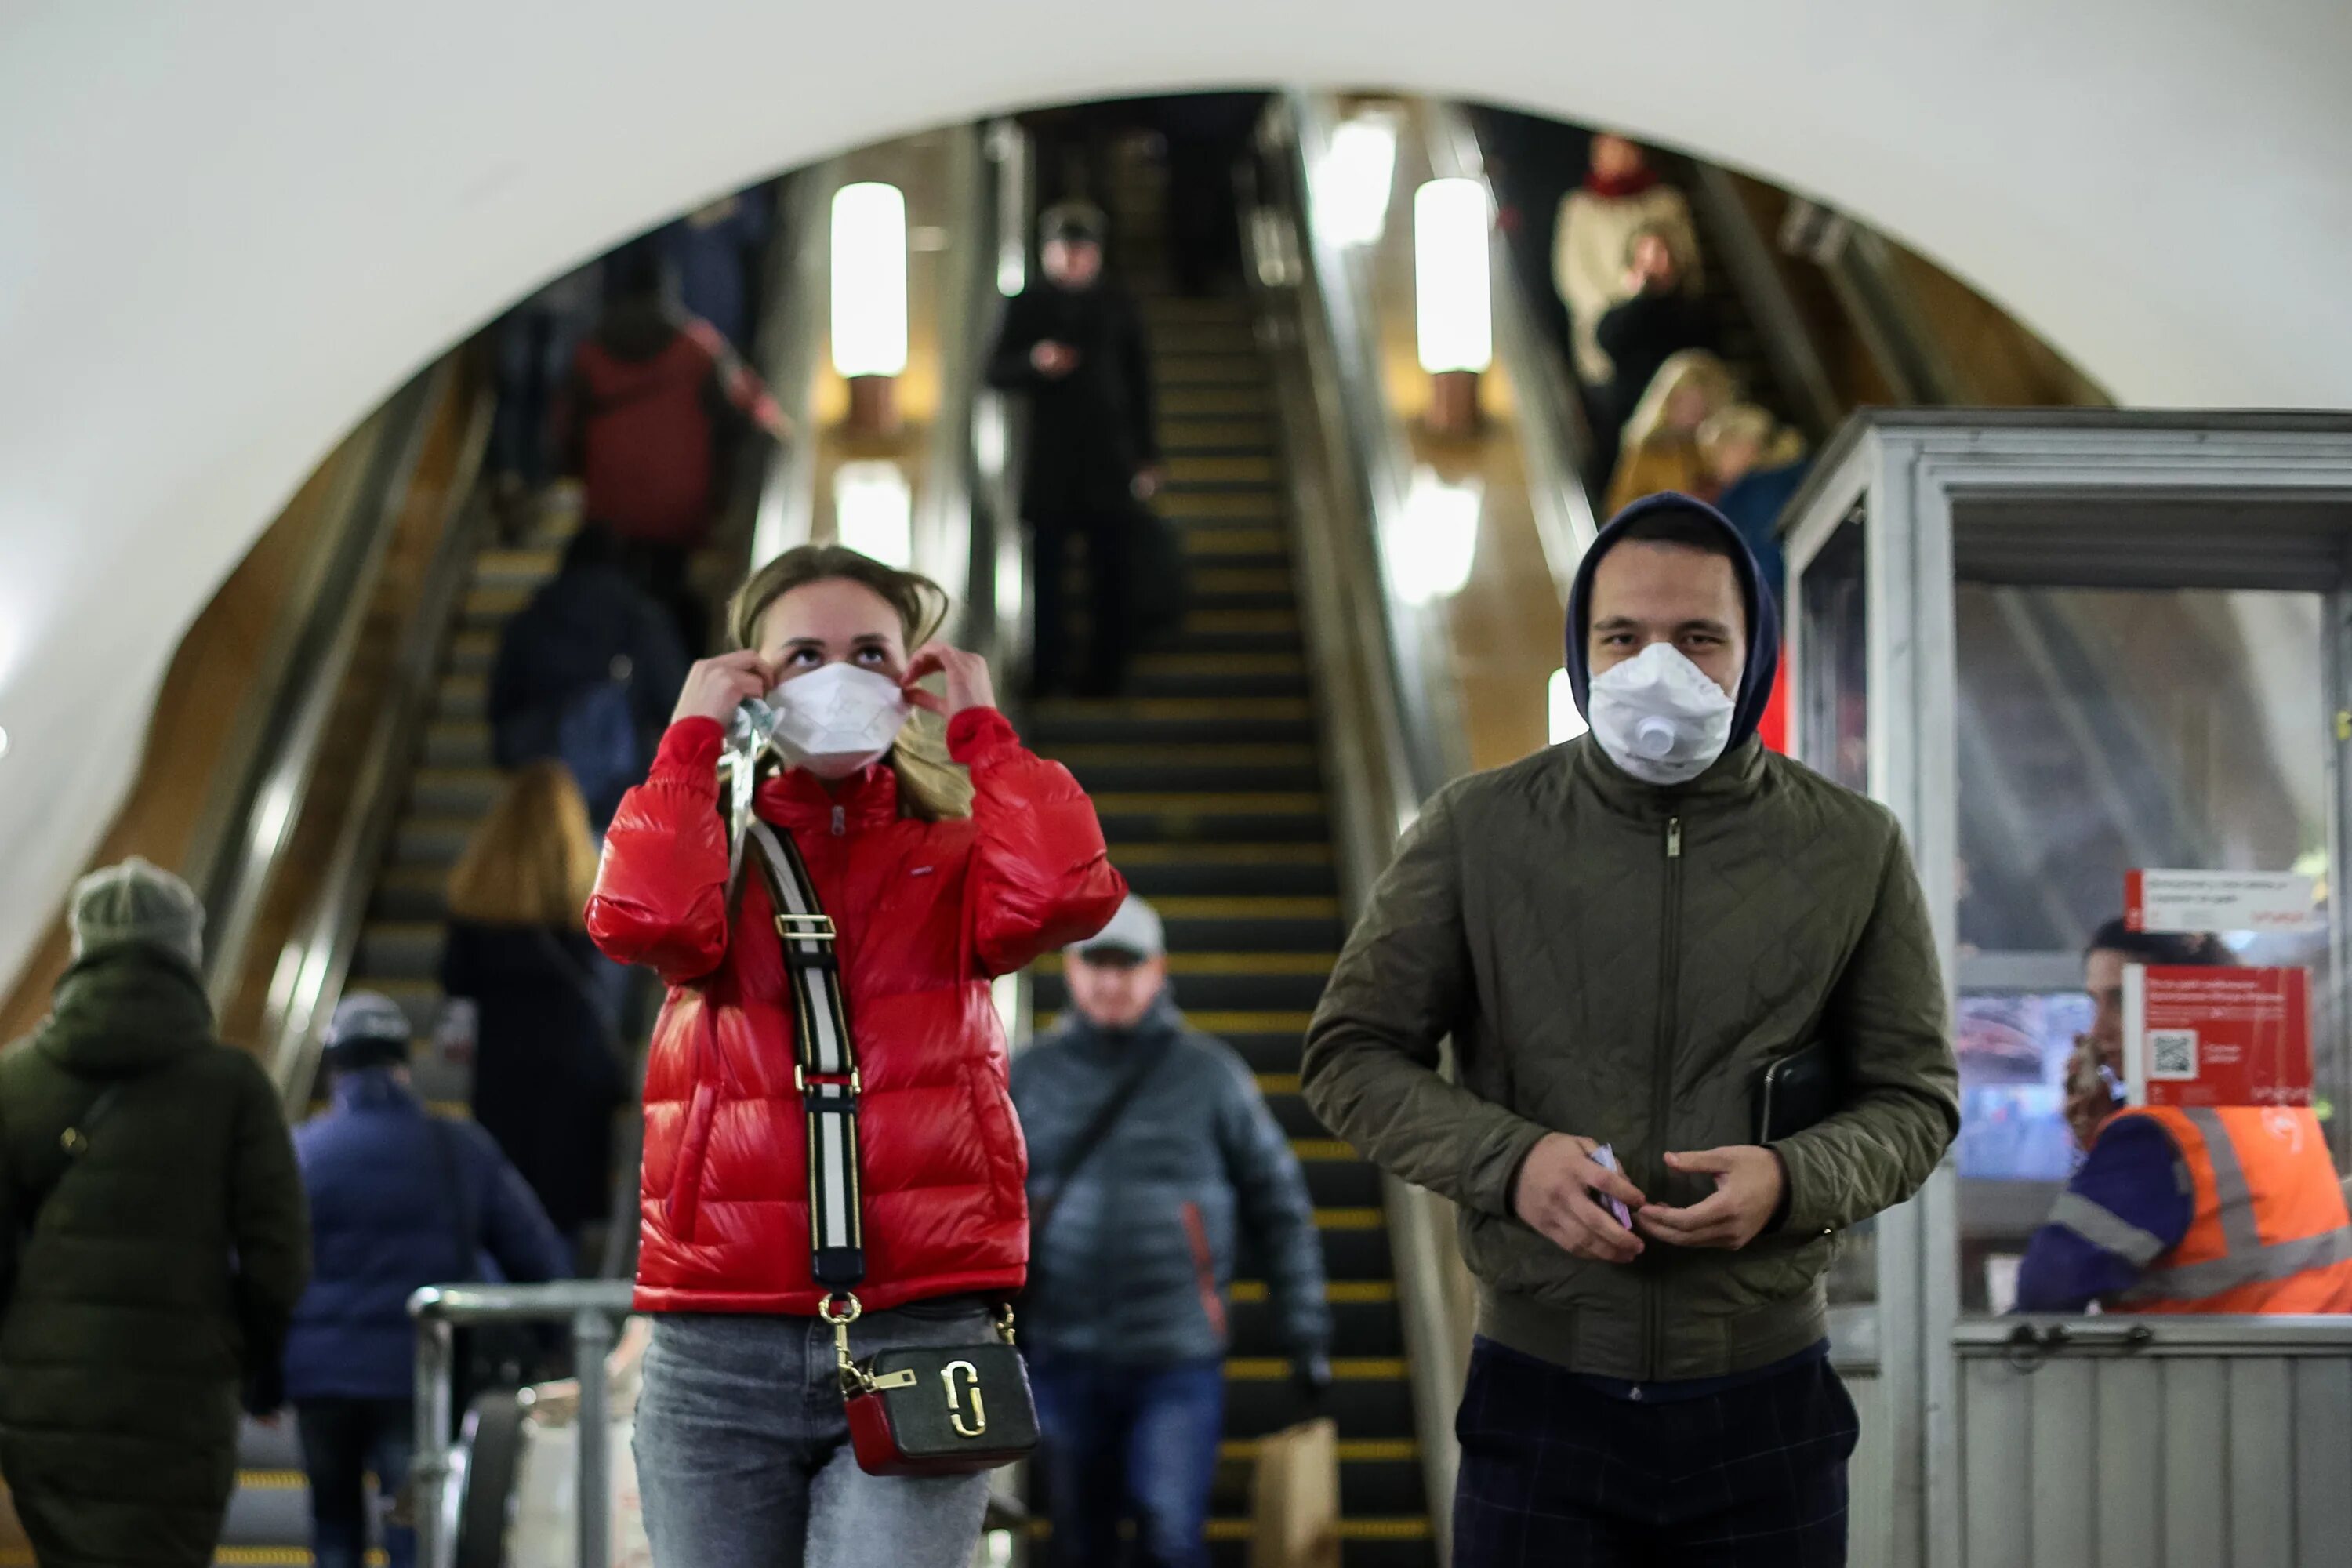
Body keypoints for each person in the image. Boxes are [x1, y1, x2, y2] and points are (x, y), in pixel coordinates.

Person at [1301, 495, 1960, 1566]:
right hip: (1542, 1391)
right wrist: (1512, 1166)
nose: (1662, 666)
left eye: (1700, 637)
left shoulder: (1852, 848)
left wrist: (1793, 1180)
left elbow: (1916, 1099)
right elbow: (1350, 1056)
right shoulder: (1479, 828)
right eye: (1624, 637)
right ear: (1582, 652)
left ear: (1753, 656)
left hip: (1765, 1399)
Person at [586, 543, 1127, 1568]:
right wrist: (688, 743)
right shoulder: (718, 853)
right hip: (718, 1343)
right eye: (804, 655)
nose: (839, 675)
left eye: (871, 652)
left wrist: (981, 727)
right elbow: (641, 916)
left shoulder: (957, 854)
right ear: (754, 678)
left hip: (925, 1329)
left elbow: (1067, 893)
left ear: (911, 674)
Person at [0, 858, 310, 1568]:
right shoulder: (234, 1088)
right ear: (185, 953)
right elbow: (279, 1257)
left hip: (47, 1405)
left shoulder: (14, 1082)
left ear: (82, 951)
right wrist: (243, 1354)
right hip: (182, 1401)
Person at [1012, 895, 1331, 1568]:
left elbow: (1279, 1206)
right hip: (1060, 1351)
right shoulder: (1029, 1076)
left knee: (1171, 1536)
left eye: (1126, 966)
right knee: (1076, 1542)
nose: (1110, 981)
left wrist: (1304, 1330)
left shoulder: (1210, 1076)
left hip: (1176, 1357)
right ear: (1071, 972)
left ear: (1158, 971)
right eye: (1095, 964)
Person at [285, 993, 571, 1568]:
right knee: (414, 1526)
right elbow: (533, 1252)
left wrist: (262, 1379)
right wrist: (557, 1340)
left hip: (319, 1378)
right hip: (416, 1372)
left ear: (336, 1069)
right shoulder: (457, 1146)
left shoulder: (300, 1152)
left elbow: (266, 1267)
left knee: (335, 1527)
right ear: (402, 1065)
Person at [2016, 920, 2352, 1313]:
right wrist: (2101, 1141)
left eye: (2123, 1001)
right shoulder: (2274, 1101)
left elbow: (2045, 1289)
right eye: (2096, 1003)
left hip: (2210, 1371)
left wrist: (2113, 1147)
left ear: (2191, 1004)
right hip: (2310, 1360)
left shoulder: (2153, 1135)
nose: (2098, 1031)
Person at [559, 238, 791, 653]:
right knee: (667, 597)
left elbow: (564, 430)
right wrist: (727, 491)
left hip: (611, 503)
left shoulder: (590, 356)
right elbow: (750, 417)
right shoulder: (696, 348)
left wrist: (576, 473)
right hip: (679, 502)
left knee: (615, 607)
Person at [441, 763, 632, 1256]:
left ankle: (502, 1319)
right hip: (573, 1064)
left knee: (504, 1198)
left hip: (503, 1065)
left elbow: (454, 981)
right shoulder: (587, 890)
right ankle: (558, 1316)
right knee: (561, 1206)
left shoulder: (476, 894)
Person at [985, 202, 1161, 698]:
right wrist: (1035, 363)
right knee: (1048, 575)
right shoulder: (1028, 303)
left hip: (1110, 458)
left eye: (1082, 252)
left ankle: (1107, 673)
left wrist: (1149, 455)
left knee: (1112, 572)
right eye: (1063, 251)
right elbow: (993, 372)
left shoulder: (1118, 305)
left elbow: (1140, 383)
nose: (1072, 261)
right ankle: (1047, 670)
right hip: (1050, 463)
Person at [488, 521, 691, 830]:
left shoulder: (529, 622)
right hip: (619, 802)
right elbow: (677, 706)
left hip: (545, 800)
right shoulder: (641, 621)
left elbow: (500, 717)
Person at [1554, 134, 1704, 391]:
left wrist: (1660, 281)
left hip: (1665, 334)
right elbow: (1573, 276)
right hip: (1610, 343)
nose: (1620, 158)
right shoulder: (1580, 209)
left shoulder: (1666, 202)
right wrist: (1624, 298)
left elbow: (1686, 259)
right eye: (1610, 151)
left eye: (1626, 149)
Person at [1593, 225, 1718, 441]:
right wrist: (1638, 297)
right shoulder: (1621, 314)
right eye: (1646, 256)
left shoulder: (1692, 310)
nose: (1655, 263)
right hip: (1635, 415)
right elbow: (1609, 343)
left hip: (1686, 416)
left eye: (1660, 253)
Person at [1603, 348, 1739, 515]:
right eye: (1684, 402)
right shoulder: (1646, 449)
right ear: (1667, 401)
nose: (1690, 412)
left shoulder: (1718, 445)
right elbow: (1619, 509)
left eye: (1698, 404)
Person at [1700, 404, 1809, 607]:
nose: (1714, 465)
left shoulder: (1759, 493)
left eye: (1719, 453)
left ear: (1745, 447)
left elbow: (1765, 561)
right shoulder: (1788, 482)